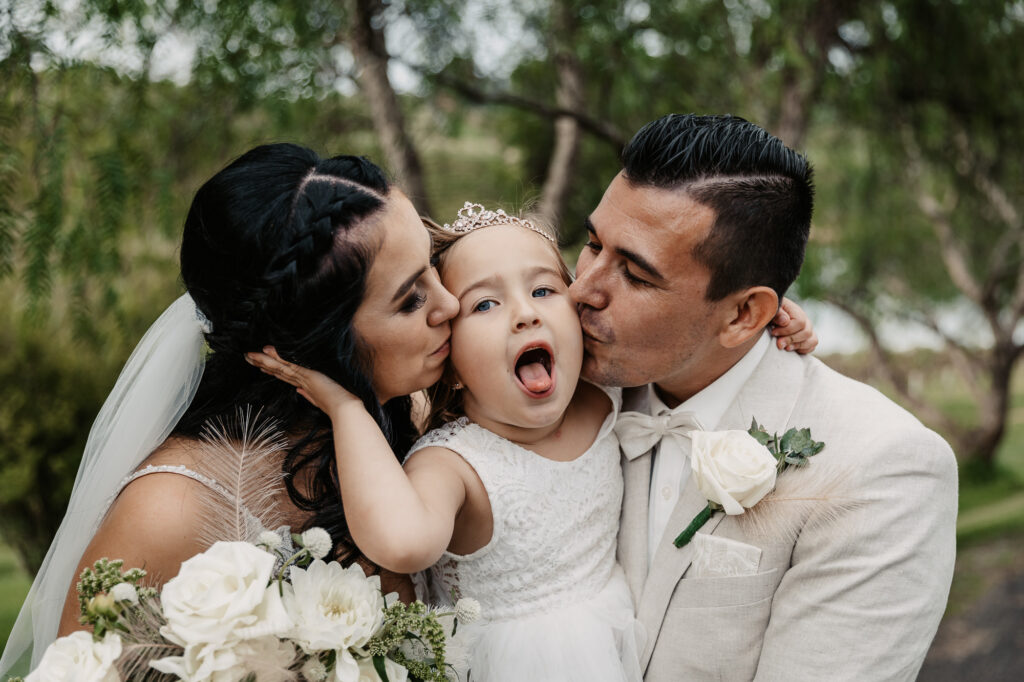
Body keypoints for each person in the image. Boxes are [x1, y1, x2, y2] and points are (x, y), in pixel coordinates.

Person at [246, 203, 817, 681]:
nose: (524, 315)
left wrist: (759, 321)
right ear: (452, 362)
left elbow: (679, 334)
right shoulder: (454, 462)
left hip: (619, 639)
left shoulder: (600, 392)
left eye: (545, 289)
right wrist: (347, 409)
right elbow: (402, 544)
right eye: (485, 305)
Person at [0, 143, 461, 675]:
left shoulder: (433, 426)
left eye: (431, 267)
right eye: (410, 300)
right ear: (309, 344)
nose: (448, 304)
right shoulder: (170, 510)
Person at [569, 113, 958, 681]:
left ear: (745, 313)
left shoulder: (885, 469)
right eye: (591, 244)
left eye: (634, 274)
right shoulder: (558, 395)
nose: (582, 289)